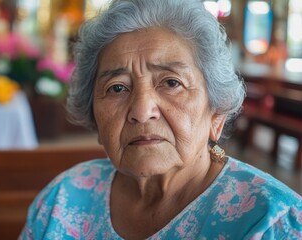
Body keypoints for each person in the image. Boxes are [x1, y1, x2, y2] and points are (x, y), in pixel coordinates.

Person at [19, 0, 302, 239]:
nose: (142, 111)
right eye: (117, 87)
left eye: (171, 83)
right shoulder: (61, 199)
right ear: (94, 116)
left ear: (216, 112)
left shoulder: (271, 222)